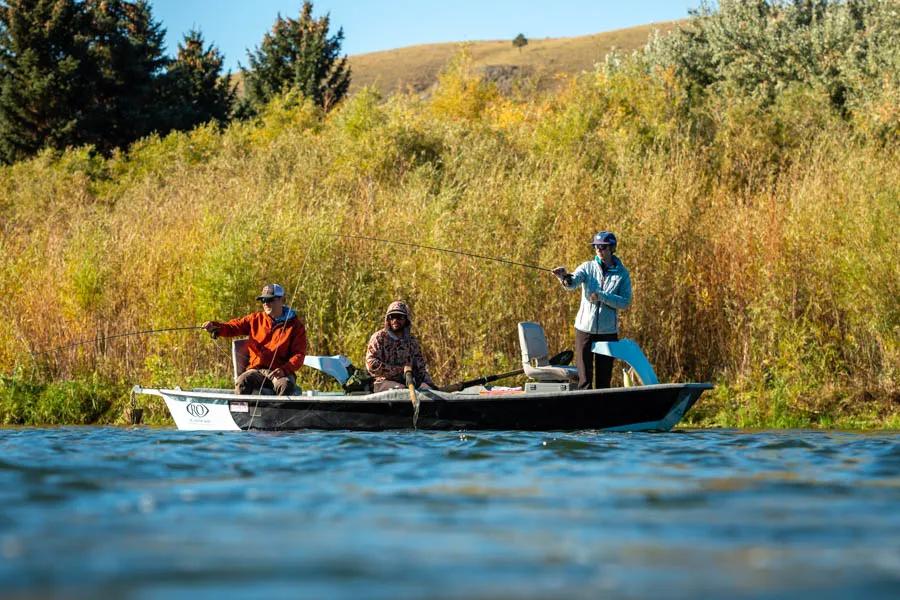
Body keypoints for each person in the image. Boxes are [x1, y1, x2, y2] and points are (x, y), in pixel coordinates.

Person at [552, 231, 632, 389]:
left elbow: (625, 302)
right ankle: (585, 411)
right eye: (596, 247)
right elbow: (572, 282)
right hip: (584, 330)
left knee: (604, 380)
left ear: (611, 248)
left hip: (608, 332)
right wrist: (563, 277)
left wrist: (602, 296)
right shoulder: (587, 267)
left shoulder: (622, 274)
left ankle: (602, 412)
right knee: (585, 380)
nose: (599, 250)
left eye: (602, 247)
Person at [202, 283, 307, 396]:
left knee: (285, 386)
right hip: (257, 371)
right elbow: (233, 327)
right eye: (263, 300)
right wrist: (215, 327)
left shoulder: (296, 326)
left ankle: (277, 414)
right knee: (242, 381)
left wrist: (284, 370)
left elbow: (299, 355)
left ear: (282, 300)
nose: (266, 303)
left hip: (281, 373)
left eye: (270, 300)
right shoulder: (255, 319)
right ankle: (242, 413)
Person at [365, 300, 435, 393]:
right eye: (392, 317)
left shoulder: (412, 341)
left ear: (406, 319)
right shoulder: (379, 338)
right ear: (387, 319)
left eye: (399, 317)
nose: (395, 320)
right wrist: (400, 371)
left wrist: (431, 385)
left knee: (428, 390)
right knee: (402, 391)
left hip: (409, 382)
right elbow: (371, 364)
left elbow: (420, 367)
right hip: (382, 382)